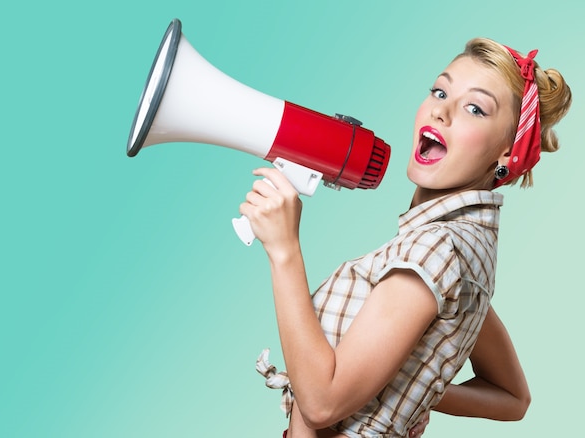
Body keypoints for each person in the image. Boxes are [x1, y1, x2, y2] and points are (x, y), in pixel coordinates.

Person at [241, 37, 572, 438]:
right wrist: (409, 387)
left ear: (507, 153)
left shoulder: (434, 251)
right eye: (440, 90)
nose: (441, 110)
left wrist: (283, 251)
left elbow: (322, 402)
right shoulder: (468, 252)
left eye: (475, 108)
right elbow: (512, 397)